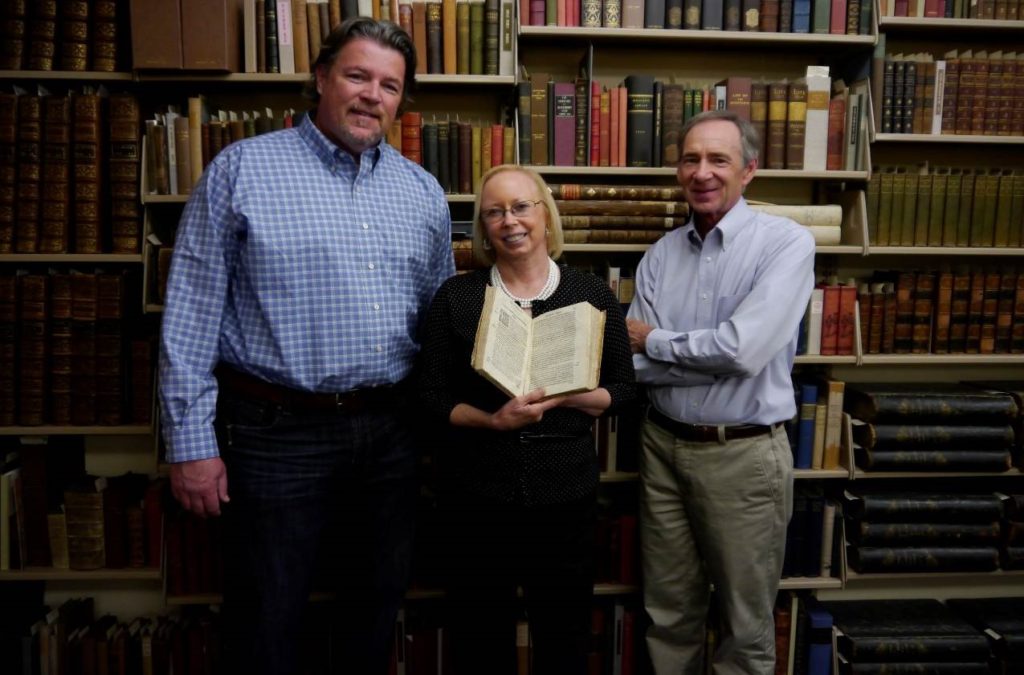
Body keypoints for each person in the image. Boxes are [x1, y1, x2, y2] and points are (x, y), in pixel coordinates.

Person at [158, 17, 454, 675]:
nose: (372, 95)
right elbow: (189, 315)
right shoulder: (241, 170)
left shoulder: (422, 191)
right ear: (320, 78)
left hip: (391, 432)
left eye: (389, 84)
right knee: (266, 615)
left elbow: (440, 323)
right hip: (275, 432)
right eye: (357, 75)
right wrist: (190, 444)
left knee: (374, 610)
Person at [418, 165, 636, 675]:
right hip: (476, 498)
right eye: (494, 212)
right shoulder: (458, 297)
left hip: (565, 497)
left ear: (544, 214)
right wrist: (493, 421)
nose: (509, 221)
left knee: (563, 636)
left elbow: (625, 391)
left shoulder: (592, 295)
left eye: (521, 207)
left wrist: (569, 398)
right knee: (480, 636)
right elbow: (428, 398)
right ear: (483, 226)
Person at [626, 109, 816, 675]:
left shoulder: (786, 245)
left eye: (718, 159)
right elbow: (636, 364)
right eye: (691, 159)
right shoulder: (661, 254)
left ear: (749, 170)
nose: (702, 172)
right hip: (662, 448)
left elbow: (744, 351)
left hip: (744, 455)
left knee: (744, 625)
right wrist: (708, 354)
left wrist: (660, 340)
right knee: (668, 615)